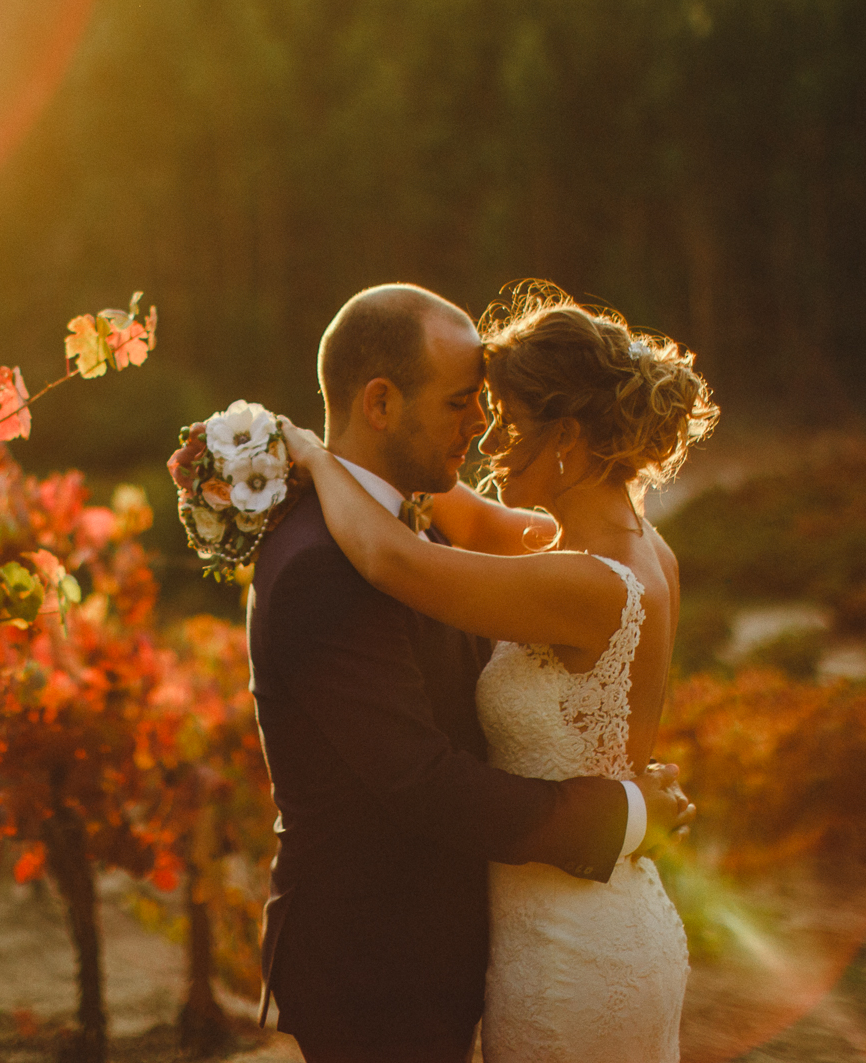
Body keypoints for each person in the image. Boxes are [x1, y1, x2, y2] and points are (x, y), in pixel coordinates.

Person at [247, 282, 697, 1063]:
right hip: (398, 959)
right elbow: (421, 777)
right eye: (466, 405)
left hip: (568, 948)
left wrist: (319, 456)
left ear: (564, 438)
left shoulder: (580, 576)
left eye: (502, 420)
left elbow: (397, 557)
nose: (483, 439)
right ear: (383, 401)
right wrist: (625, 810)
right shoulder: (636, 549)